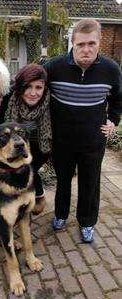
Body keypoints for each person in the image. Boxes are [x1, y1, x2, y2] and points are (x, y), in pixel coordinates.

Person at [44, 19, 122, 242]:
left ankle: (87, 222)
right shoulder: (54, 67)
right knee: (63, 180)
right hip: (62, 140)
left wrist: (113, 121)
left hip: (93, 141)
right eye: (80, 44)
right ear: (72, 44)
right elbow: (35, 91)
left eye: (91, 43)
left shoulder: (111, 70)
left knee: (90, 182)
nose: (86, 49)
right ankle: (60, 214)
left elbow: (118, 100)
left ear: (99, 43)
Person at [5, 64, 52, 214]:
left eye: (38, 87)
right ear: (20, 87)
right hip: (18, 142)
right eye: (28, 87)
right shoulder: (10, 100)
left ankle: (39, 196)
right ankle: (21, 197)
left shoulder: (51, 102)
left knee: (27, 167)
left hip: (41, 145)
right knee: (16, 167)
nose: (33, 93)